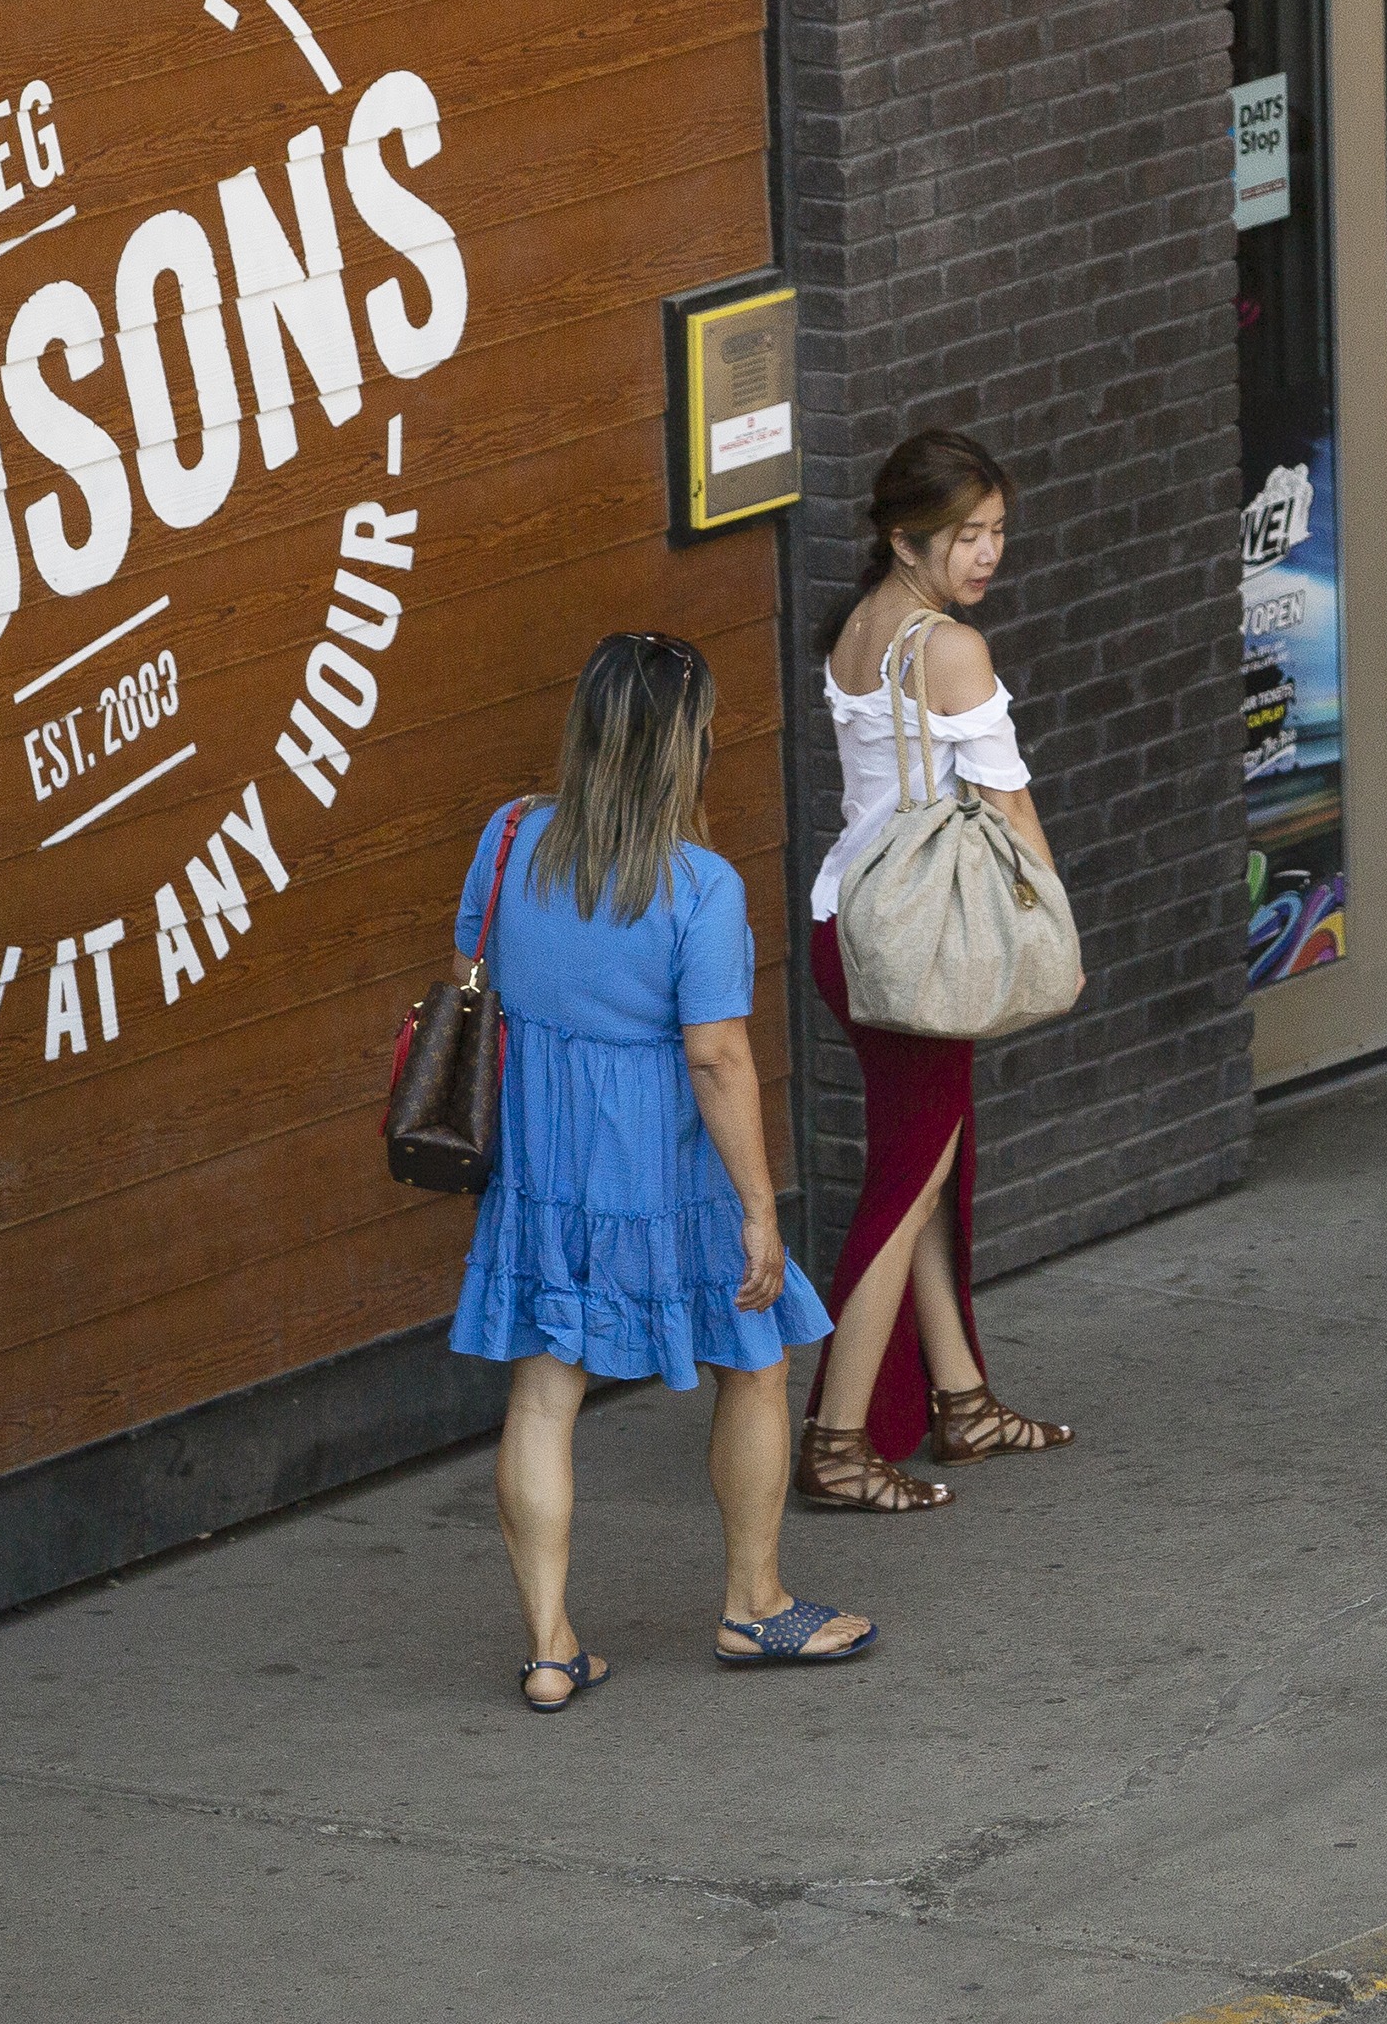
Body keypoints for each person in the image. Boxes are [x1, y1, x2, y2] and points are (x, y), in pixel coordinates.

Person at [448, 632, 871, 1709]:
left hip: (545, 1167)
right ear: (687, 747)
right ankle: (755, 1605)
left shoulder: (506, 841)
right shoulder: (700, 887)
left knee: (545, 1392)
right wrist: (758, 1209)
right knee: (758, 1356)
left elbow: (471, 983)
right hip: (665, 1168)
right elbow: (717, 1056)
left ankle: (549, 1646)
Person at [800, 429, 1080, 1511]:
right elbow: (1008, 801)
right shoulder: (949, 648)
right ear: (903, 535)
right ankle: (835, 1439)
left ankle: (961, 1402)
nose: (987, 554)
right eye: (968, 535)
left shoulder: (857, 627)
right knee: (905, 1182)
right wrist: (1053, 929)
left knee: (924, 1170)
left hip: (852, 924)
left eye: (998, 530)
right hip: (924, 941)